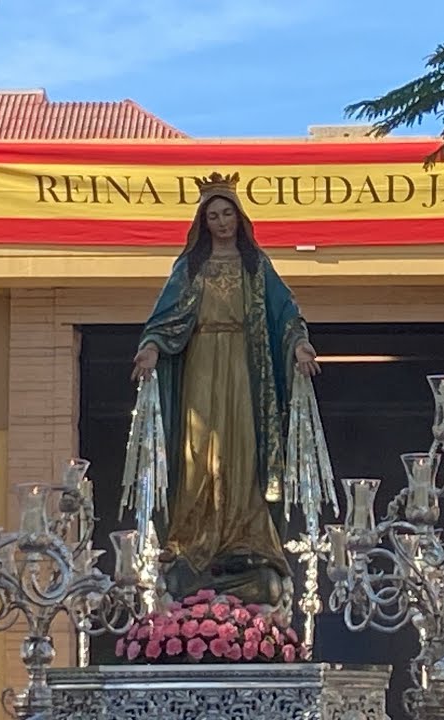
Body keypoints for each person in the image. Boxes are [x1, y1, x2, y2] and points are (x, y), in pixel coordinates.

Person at [131, 171, 320, 607]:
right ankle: (193, 538)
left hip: (243, 365)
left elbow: (285, 313)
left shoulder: (256, 265)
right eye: (213, 215)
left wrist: (299, 345)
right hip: (200, 361)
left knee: (241, 447)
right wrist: (152, 348)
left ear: (239, 217)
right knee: (197, 451)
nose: (220, 222)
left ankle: (244, 538)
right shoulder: (190, 267)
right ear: (203, 221)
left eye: (226, 213)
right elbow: (165, 317)